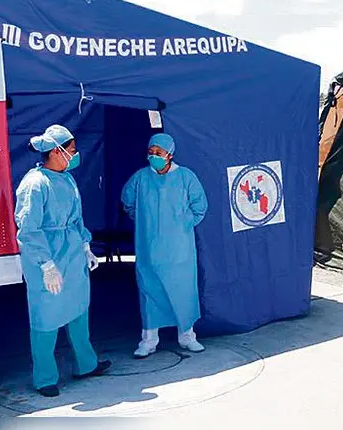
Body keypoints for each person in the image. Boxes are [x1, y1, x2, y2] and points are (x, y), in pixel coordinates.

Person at [15, 124, 111, 397]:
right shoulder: (35, 184)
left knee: (79, 308)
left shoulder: (67, 178)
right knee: (46, 316)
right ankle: (45, 377)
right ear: (56, 151)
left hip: (72, 255)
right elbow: (29, 230)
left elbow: (76, 218)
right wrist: (46, 265)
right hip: (47, 258)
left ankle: (86, 364)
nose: (75, 154)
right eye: (72, 149)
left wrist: (85, 245)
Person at [122, 133, 208, 358]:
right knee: (150, 293)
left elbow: (199, 206)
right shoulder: (141, 178)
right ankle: (149, 341)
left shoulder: (186, 177)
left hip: (180, 249)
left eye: (158, 153)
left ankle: (187, 337)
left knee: (183, 292)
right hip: (148, 249)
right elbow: (128, 202)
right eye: (150, 152)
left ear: (170, 154)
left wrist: (182, 224)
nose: (153, 156)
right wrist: (144, 221)